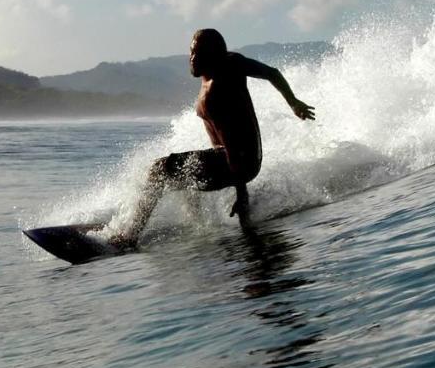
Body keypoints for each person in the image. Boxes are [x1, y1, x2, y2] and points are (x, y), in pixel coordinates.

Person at [108, 28, 315, 247]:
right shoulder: (218, 74)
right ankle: (198, 228)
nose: (192, 59)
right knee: (183, 173)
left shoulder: (224, 78)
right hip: (232, 158)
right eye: (191, 52)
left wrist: (293, 102)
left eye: (199, 54)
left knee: (159, 169)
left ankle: (130, 236)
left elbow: (271, 74)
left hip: (239, 162)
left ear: (215, 56)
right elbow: (223, 140)